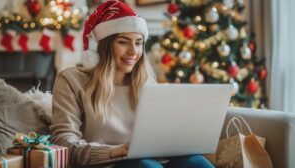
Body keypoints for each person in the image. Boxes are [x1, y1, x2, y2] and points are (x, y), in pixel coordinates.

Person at [50, 0, 215, 167]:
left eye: (138, 43)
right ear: (105, 46)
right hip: (107, 163)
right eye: (123, 42)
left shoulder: (147, 83)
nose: (133, 52)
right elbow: (64, 145)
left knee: (196, 162)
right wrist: (118, 150)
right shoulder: (71, 80)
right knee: (146, 165)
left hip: (152, 160)